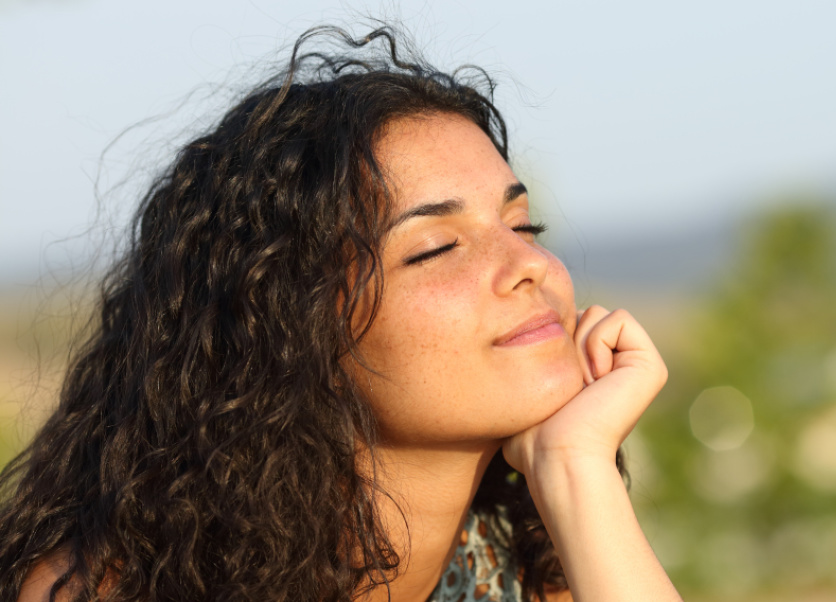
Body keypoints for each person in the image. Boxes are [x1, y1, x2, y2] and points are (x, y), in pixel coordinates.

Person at [0, 25, 681, 602]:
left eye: (523, 226)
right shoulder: (117, 588)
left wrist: (574, 465)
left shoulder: (532, 562)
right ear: (293, 328)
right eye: (438, 247)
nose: (530, 266)